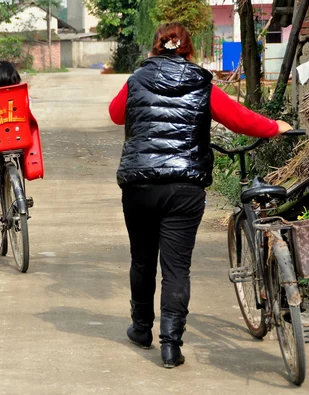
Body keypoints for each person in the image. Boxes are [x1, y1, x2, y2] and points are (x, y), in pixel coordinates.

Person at [108, 22, 292, 368]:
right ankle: (171, 346)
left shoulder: (135, 80)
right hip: (185, 187)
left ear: (154, 47)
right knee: (177, 267)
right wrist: (274, 127)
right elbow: (239, 120)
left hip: (140, 185)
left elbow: (116, 114)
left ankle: (141, 328)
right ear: (188, 49)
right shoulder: (202, 83)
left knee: (143, 260)